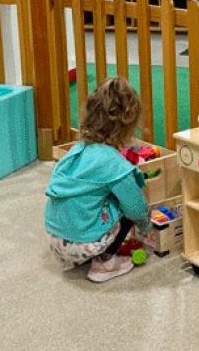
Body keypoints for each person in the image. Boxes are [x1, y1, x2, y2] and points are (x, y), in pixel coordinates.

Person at [45, 78, 151, 283]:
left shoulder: (77, 149)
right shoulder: (113, 163)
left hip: (55, 239)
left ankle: (86, 250)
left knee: (95, 197)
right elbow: (135, 207)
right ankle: (105, 263)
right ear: (127, 125)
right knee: (128, 202)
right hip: (84, 243)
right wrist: (146, 224)